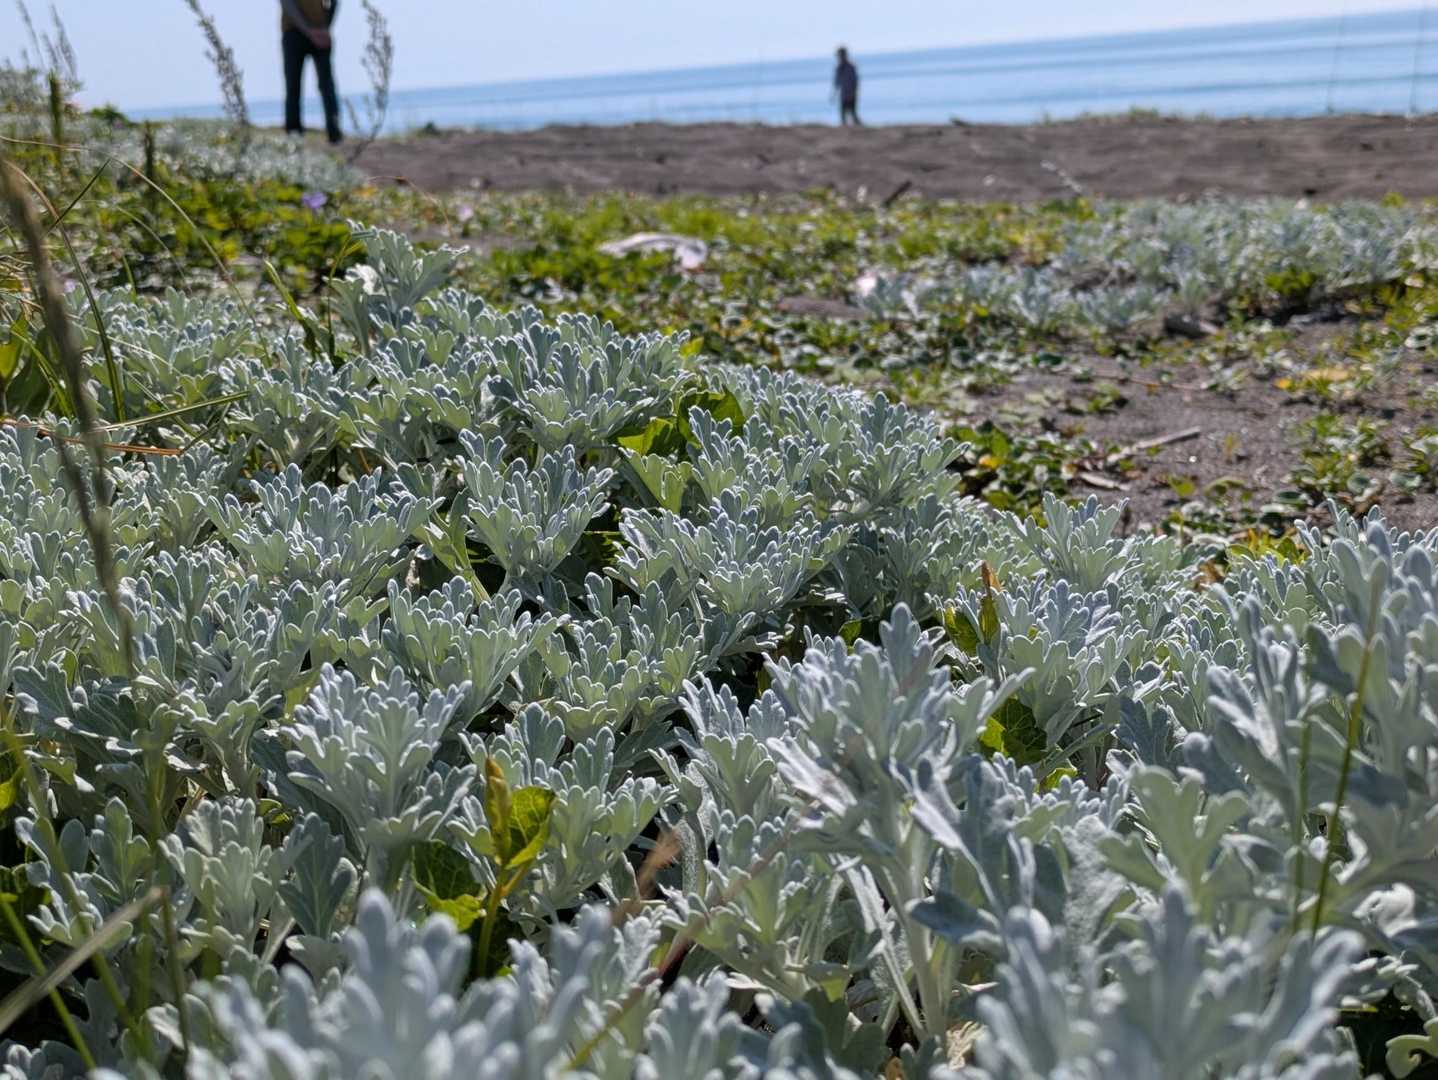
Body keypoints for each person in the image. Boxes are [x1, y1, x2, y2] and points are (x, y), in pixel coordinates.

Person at [280, 0, 342, 144]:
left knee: (327, 85)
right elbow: (287, 3)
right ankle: (294, 134)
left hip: (321, 32)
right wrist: (308, 30)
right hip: (293, 32)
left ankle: (334, 133)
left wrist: (326, 28)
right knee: (293, 85)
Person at [833, 46, 860, 126]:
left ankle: (859, 129)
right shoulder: (839, 68)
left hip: (851, 94)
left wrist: (853, 92)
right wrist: (834, 94)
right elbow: (837, 83)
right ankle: (846, 129)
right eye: (839, 55)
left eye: (840, 55)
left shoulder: (851, 67)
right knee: (843, 116)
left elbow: (855, 81)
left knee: (853, 114)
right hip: (843, 94)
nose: (839, 57)